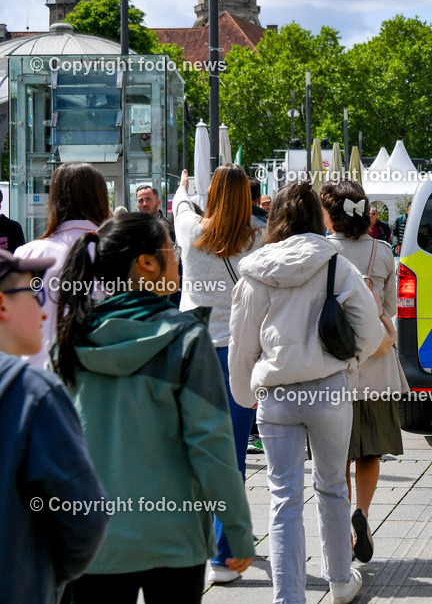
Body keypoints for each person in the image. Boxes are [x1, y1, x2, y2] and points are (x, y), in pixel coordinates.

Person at [53, 214, 253, 604]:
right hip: (174, 539)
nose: (178, 258)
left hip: (94, 541)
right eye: (172, 251)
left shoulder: (68, 340)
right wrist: (238, 530)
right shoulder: (187, 338)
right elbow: (211, 444)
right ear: (147, 262)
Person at [229, 181, 385, 604]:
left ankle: (288, 597)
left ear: (276, 217)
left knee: (283, 497)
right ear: (318, 218)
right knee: (333, 487)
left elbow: (242, 347)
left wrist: (246, 396)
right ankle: (339, 581)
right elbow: (371, 332)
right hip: (328, 391)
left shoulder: (255, 270)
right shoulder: (337, 264)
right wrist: (348, 364)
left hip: (276, 396)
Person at [0, 250, 109, 604]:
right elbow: (85, 515)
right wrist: (44, 576)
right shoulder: (34, 394)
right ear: (3, 305)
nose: (44, 309)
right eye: (34, 295)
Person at [173, 166, 262, 582]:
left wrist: (184, 188)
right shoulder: (258, 240)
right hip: (238, 358)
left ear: (211, 194)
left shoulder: (191, 230)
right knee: (233, 455)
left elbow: (178, 206)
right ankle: (224, 555)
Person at [321, 181, 409, 564]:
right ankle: (364, 513)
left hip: (334, 369)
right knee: (369, 450)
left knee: (335, 454)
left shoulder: (322, 253)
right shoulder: (384, 253)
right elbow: (389, 310)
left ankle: (342, 525)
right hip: (376, 368)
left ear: (331, 214)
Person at [16, 162, 111, 369]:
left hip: (36, 380)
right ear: (101, 199)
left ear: (55, 200)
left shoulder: (27, 255)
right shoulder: (119, 253)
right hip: (100, 383)